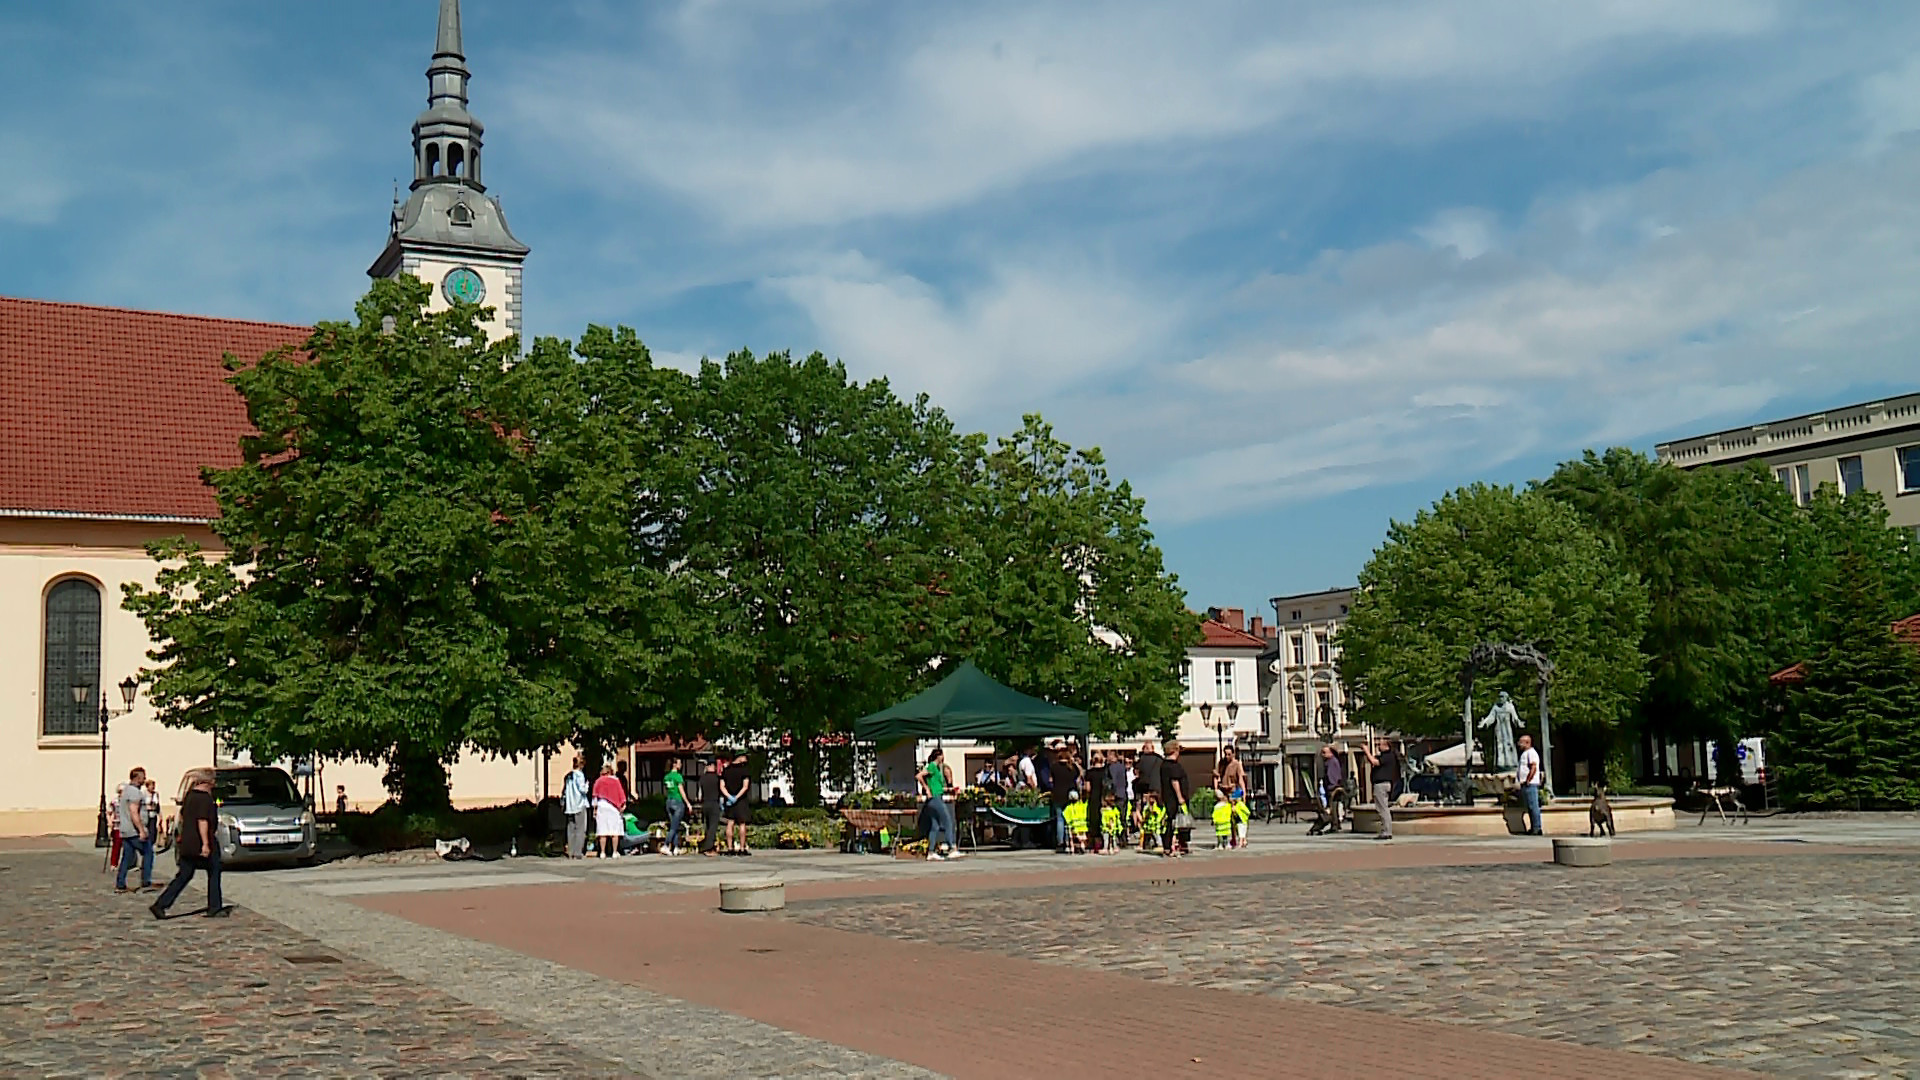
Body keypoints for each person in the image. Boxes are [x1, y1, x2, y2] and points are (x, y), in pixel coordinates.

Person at [151, 768, 227, 919]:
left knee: (184, 875)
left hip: (187, 842)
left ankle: (161, 904)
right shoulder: (204, 799)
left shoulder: (190, 796)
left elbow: (183, 816)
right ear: (208, 782)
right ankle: (215, 907)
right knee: (214, 871)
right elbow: (202, 821)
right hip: (201, 842)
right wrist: (205, 844)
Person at [114, 766, 153, 893]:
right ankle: (146, 881)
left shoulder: (126, 791)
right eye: (143, 777)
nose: (145, 779)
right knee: (148, 853)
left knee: (127, 857)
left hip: (125, 830)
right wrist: (141, 830)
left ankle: (120, 883)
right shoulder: (135, 793)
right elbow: (133, 812)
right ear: (137, 778)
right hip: (134, 831)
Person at [917, 748, 959, 860]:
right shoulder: (932, 766)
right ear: (938, 756)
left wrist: (948, 789)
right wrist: (927, 789)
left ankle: (931, 851)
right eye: (942, 756)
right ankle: (952, 847)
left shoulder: (936, 768)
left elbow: (936, 785)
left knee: (935, 826)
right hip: (935, 799)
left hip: (937, 796)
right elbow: (919, 776)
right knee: (948, 821)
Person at [1361, 737, 1398, 841]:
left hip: (1382, 784)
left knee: (1382, 808)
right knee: (1382, 807)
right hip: (1383, 784)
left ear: (1386, 746)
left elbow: (1374, 762)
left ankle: (1387, 831)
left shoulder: (1388, 756)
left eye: (1380, 744)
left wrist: (1366, 750)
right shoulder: (1386, 756)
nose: (1378, 746)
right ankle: (1386, 830)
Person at [1048, 743, 1081, 854]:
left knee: (1060, 819)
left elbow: (1051, 781)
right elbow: (1079, 776)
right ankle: (1070, 840)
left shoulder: (1054, 767)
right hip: (1070, 795)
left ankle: (1060, 843)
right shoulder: (1072, 768)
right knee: (1070, 819)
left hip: (1057, 794)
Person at [1160, 741, 1191, 858]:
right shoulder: (1173, 766)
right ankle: (1176, 846)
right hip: (1174, 800)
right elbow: (1175, 781)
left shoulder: (1164, 765)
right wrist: (1180, 797)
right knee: (1177, 823)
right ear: (1174, 751)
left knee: (1170, 822)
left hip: (1167, 798)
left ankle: (1168, 847)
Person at [591, 763, 626, 858]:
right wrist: (622, 805)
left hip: (602, 806)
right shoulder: (616, 781)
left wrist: (595, 809)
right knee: (615, 831)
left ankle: (602, 852)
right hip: (613, 807)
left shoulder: (598, 781)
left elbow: (595, 797)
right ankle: (615, 852)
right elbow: (621, 795)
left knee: (602, 830)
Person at [722, 751, 753, 855]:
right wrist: (737, 797)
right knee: (742, 823)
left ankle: (730, 848)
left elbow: (722, 786)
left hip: (729, 800)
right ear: (740, 758)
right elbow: (745, 786)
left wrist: (729, 797)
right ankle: (742, 848)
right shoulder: (744, 771)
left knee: (730, 823)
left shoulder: (726, 770)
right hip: (741, 801)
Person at [562, 754, 591, 859]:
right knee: (580, 829)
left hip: (570, 806)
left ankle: (570, 851)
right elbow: (583, 790)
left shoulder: (568, 776)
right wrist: (587, 785)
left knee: (571, 829)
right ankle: (578, 852)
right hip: (579, 804)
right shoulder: (579, 775)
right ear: (581, 765)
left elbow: (564, 791)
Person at [698, 755, 726, 856]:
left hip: (705, 803)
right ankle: (708, 848)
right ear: (713, 766)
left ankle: (706, 845)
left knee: (707, 826)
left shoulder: (703, 778)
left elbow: (700, 793)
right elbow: (721, 791)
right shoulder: (717, 778)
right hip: (714, 802)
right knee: (713, 827)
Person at [1517, 733, 1544, 835]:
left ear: (1527, 743)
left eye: (1521, 742)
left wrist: (1528, 780)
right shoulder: (1525, 753)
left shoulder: (1531, 753)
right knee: (1530, 807)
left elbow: (1533, 767)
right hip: (1526, 784)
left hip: (1530, 784)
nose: (1519, 744)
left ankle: (1537, 828)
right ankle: (1533, 827)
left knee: (1533, 806)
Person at [1317, 744, 1346, 835]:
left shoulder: (1331, 762)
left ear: (1330, 753)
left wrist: (1331, 786)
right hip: (1333, 787)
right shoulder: (1331, 761)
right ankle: (1335, 824)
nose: (1322, 754)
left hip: (1333, 788)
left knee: (1333, 806)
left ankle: (1335, 825)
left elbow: (1332, 775)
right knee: (1334, 806)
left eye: (1324, 752)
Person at [663, 757, 689, 855]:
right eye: (679, 763)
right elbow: (681, 791)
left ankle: (676, 847)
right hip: (677, 801)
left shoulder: (666, 777)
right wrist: (687, 803)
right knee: (674, 827)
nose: (680, 765)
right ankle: (666, 845)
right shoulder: (678, 777)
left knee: (674, 824)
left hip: (669, 801)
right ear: (674, 764)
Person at [1085, 748, 1109, 853]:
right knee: (1104, 820)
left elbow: (1087, 788)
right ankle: (1106, 842)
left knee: (1094, 820)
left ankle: (1095, 844)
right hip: (1104, 798)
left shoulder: (1089, 773)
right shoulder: (1105, 772)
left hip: (1093, 798)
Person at [1106, 750, 1131, 847]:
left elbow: (1113, 781)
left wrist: (1110, 793)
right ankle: (1124, 838)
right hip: (1123, 794)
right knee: (1123, 818)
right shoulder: (1122, 767)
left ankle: (1118, 838)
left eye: (1108, 756)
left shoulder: (1112, 768)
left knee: (1115, 818)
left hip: (1115, 795)